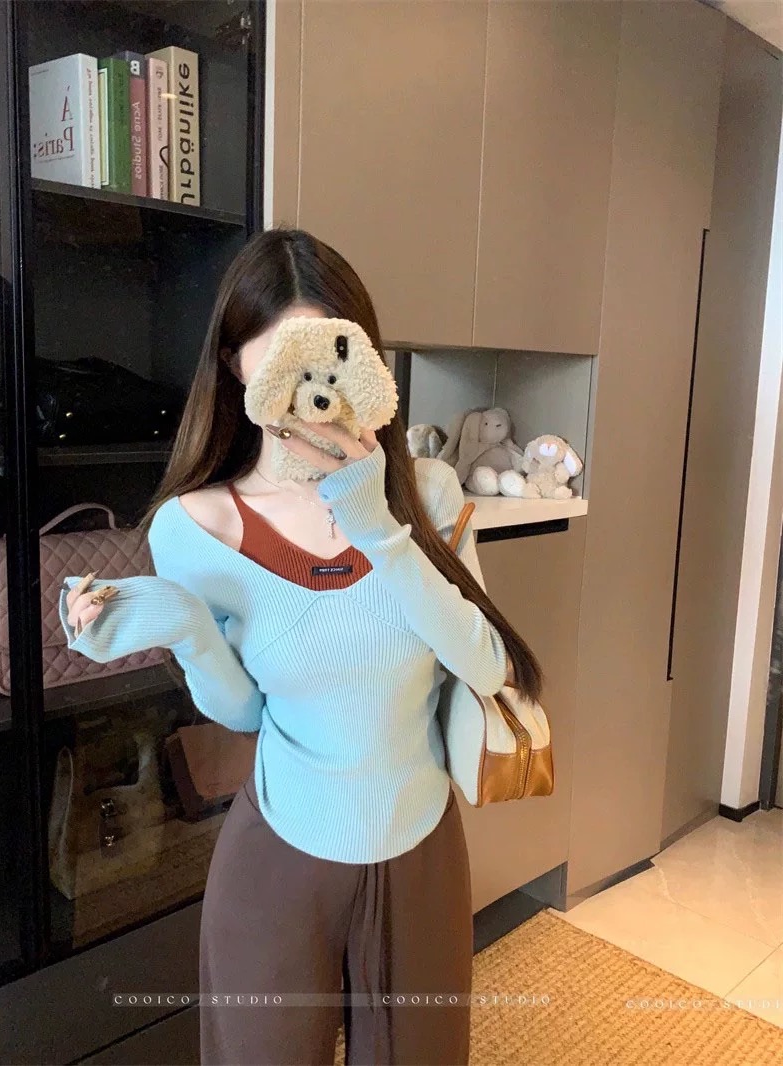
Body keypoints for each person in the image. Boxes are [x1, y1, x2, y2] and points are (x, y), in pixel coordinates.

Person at [59, 227, 543, 1066]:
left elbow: (490, 665)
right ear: (235, 363)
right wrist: (182, 621)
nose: (312, 383)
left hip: (420, 844)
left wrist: (376, 523)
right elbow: (243, 713)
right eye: (285, 352)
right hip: (282, 848)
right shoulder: (196, 527)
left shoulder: (425, 495)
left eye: (334, 349)